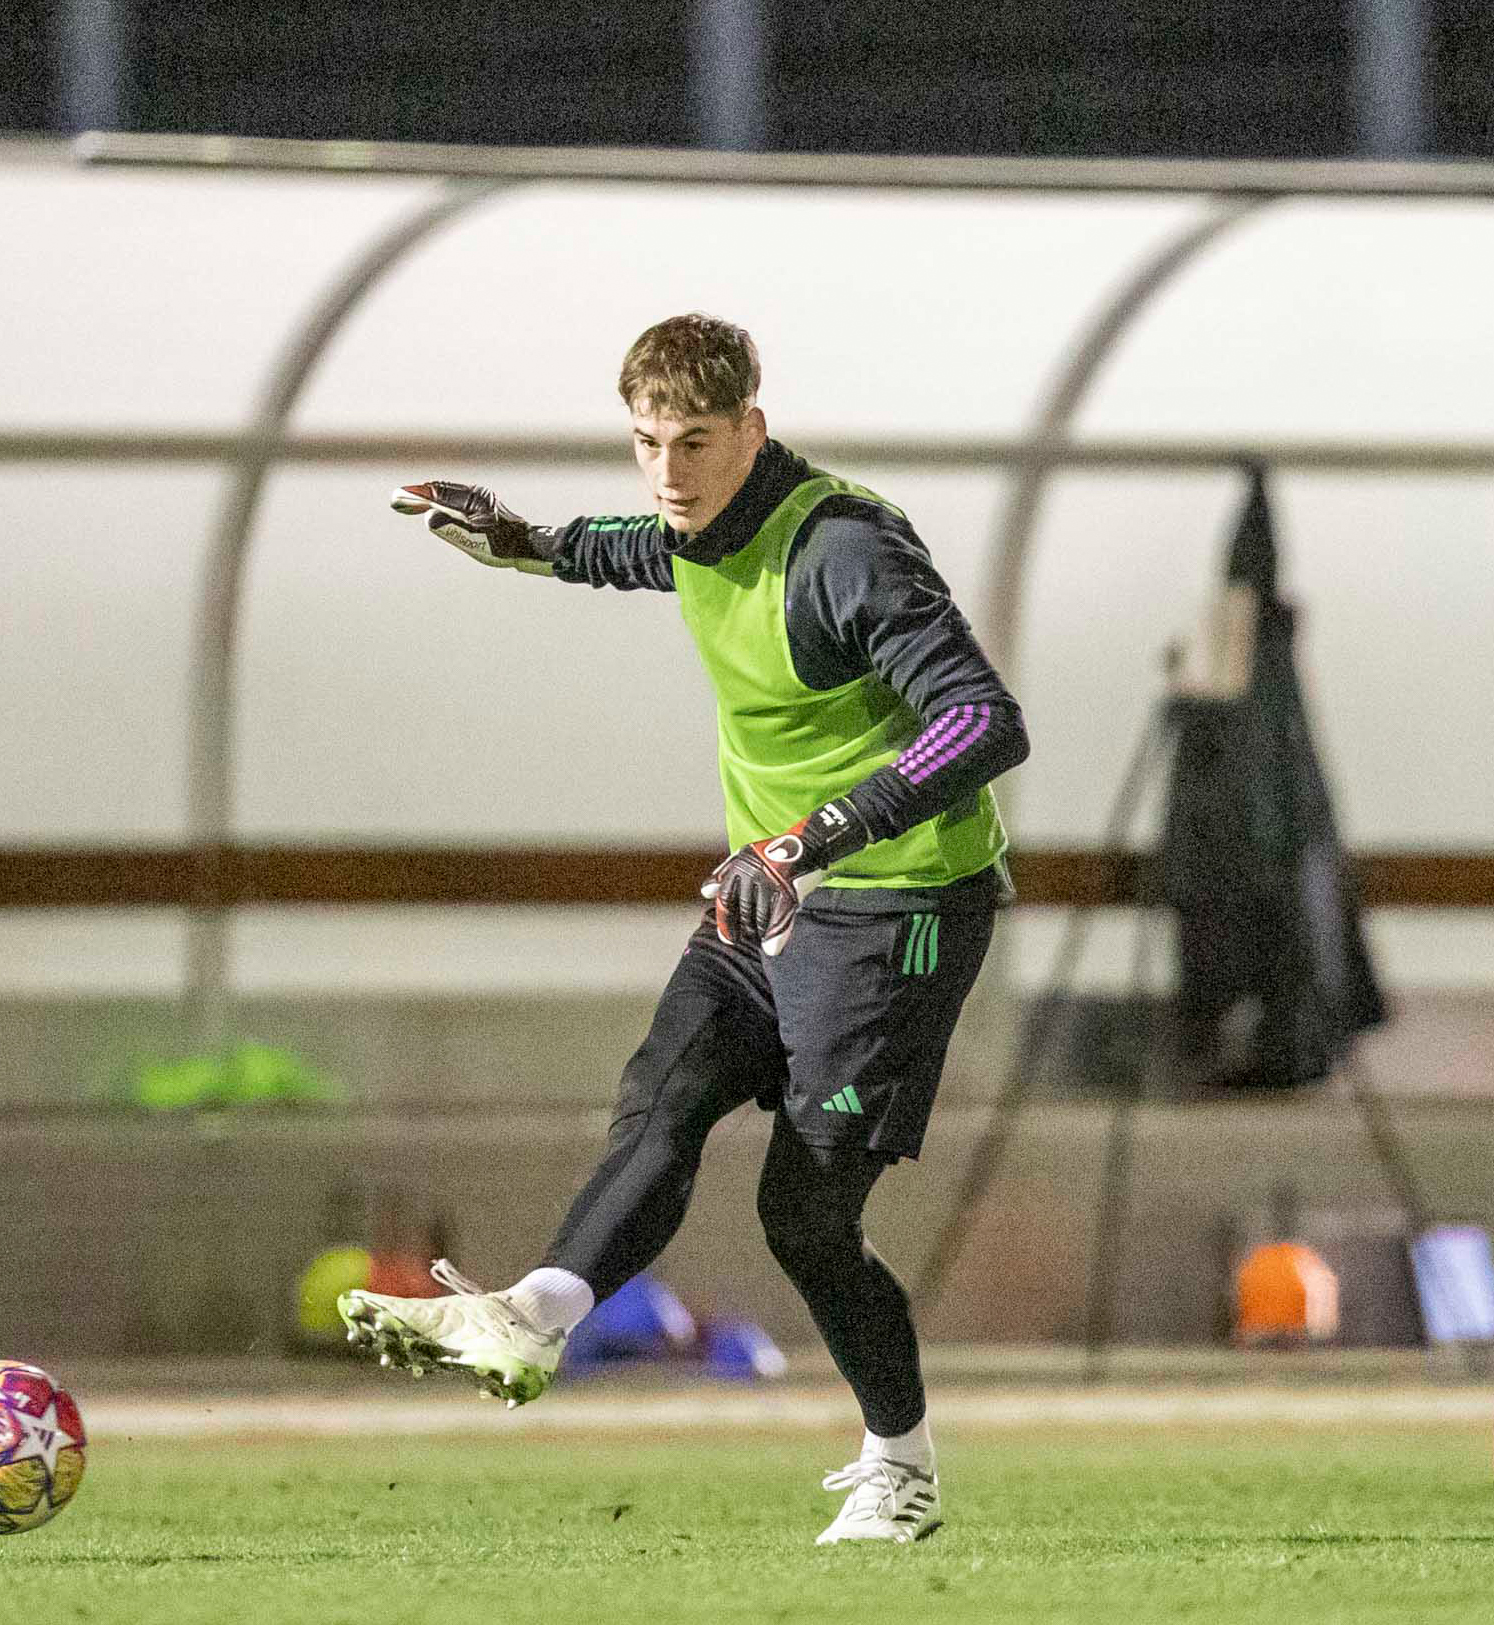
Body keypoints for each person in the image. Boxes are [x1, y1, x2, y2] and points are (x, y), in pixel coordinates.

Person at [338, 313, 1028, 1545]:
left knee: (806, 1217)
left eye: (695, 441)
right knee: (664, 1100)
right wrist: (524, 541)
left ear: (752, 430)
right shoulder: (694, 524)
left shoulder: (846, 548)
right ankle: (535, 1314)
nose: (667, 471)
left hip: (898, 909)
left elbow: (982, 722)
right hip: (764, 897)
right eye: (647, 441)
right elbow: (640, 551)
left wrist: (803, 840)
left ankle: (902, 1465)